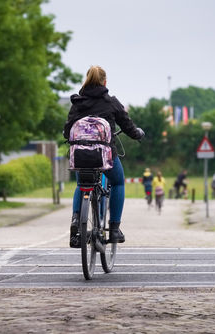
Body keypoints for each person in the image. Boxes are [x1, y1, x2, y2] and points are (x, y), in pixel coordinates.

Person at [63, 65, 145, 248]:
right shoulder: (111, 102)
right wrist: (138, 134)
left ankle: (76, 222)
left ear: (86, 80)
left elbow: (67, 131)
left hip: (81, 156)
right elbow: (128, 126)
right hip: (105, 156)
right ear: (105, 82)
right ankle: (114, 229)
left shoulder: (77, 103)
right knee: (118, 182)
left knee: (81, 184)